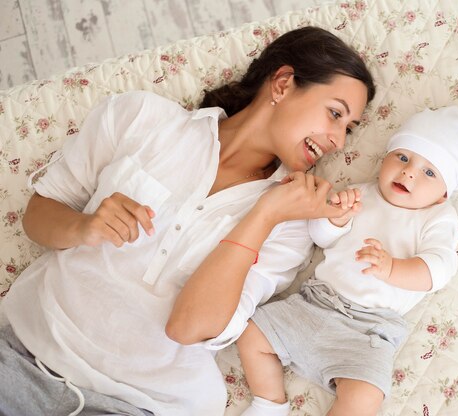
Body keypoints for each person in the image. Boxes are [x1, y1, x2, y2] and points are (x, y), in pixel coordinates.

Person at [0, 26, 375, 416]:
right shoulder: (142, 118)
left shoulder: (291, 222)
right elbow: (39, 213)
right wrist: (84, 226)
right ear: (282, 83)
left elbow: (190, 327)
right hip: (22, 358)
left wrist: (264, 214)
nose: (339, 140)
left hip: (138, 405)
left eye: (348, 128)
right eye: (335, 114)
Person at [236, 106, 458, 416]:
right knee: (250, 333)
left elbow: (439, 269)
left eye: (429, 172)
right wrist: (336, 218)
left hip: (368, 332)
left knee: (367, 396)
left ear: (443, 193)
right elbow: (321, 239)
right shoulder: (359, 194)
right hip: (315, 303)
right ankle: (269, 402)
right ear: (385, 158)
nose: (409, 172)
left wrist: (392, 268)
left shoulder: (438, 217)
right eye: (403, 157)